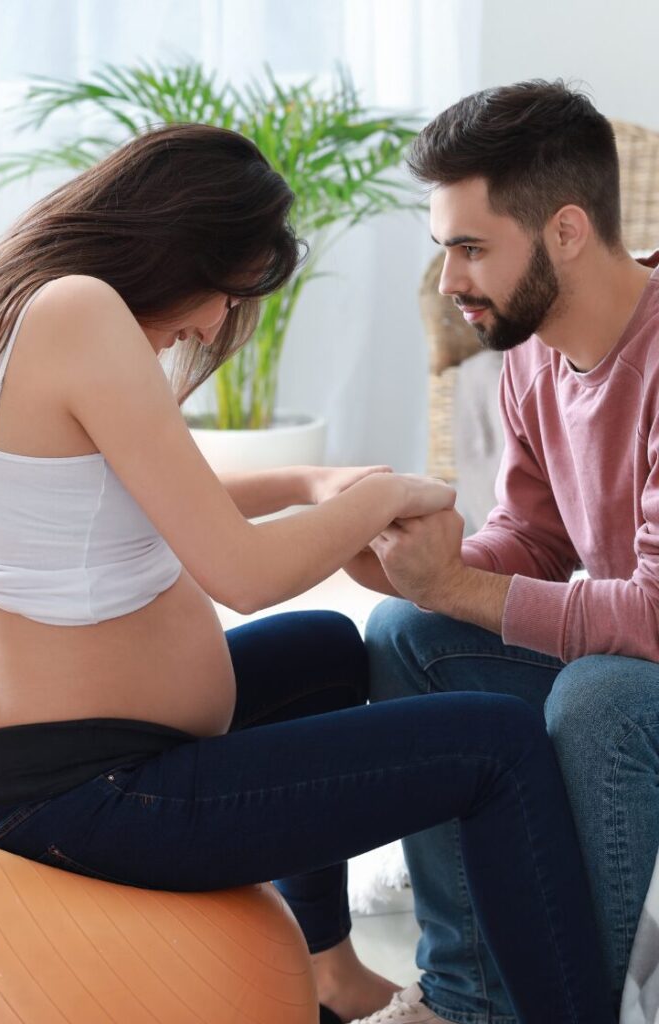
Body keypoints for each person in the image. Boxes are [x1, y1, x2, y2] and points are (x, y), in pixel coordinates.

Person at [0, 122, 613, 1024]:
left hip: (17, 764)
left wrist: (310, 482)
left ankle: (324, 970)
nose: (215, 325)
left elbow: (136, 488)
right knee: (496, 746)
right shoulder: (79, 311)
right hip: (85, 793)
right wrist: (380, 500)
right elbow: (238, 574)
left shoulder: (10, 307)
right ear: (179, 242)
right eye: (229, 291)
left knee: (327, 650)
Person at [350, 80, 659, 1024]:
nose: (450, 282)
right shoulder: (529, 356)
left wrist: (458, 584)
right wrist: (425, 566)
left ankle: (571, 1006)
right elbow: (535, 535)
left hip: (639, 665)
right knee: (408, 631)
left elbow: (651, 614)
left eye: (471, 248)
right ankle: (468, 997)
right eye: (445, 249)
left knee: (600, 693)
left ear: (567, 230)